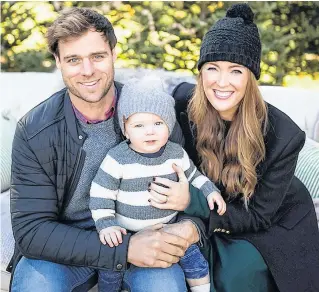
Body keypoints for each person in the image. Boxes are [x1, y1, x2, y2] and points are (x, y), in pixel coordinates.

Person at [8, 7, 203, 292]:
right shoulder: (35, 130)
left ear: (113, 53)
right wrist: (123, 249)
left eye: (97, 56)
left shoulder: (153, 115)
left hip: (144, 236)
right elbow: (31, 231)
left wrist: (188, 217)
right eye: (74, 59)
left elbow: (193, 190)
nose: (87, 71)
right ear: (58, 61)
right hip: (65, 249)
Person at [149, 3, 319, 292]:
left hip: (269, 220)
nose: (222, 82)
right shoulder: (180, 107)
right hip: (210, 212)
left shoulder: (284, 135)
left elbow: (258, 215)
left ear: (250, 77)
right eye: (212, 68)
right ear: (201, 73)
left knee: (235, 273)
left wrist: (191, 202)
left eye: (236, 71)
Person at [89, 77, 226, 292]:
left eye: (158, 123)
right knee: (109, 271)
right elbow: (101, 193)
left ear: (169, 125)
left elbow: (194, 176)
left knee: (195, 261)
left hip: (167, 229)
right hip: (124, 235)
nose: (149, 131)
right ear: (125, 129)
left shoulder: (176, 153)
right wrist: (106, 224)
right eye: (139, 125)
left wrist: (210, 191)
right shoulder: (117, 158)